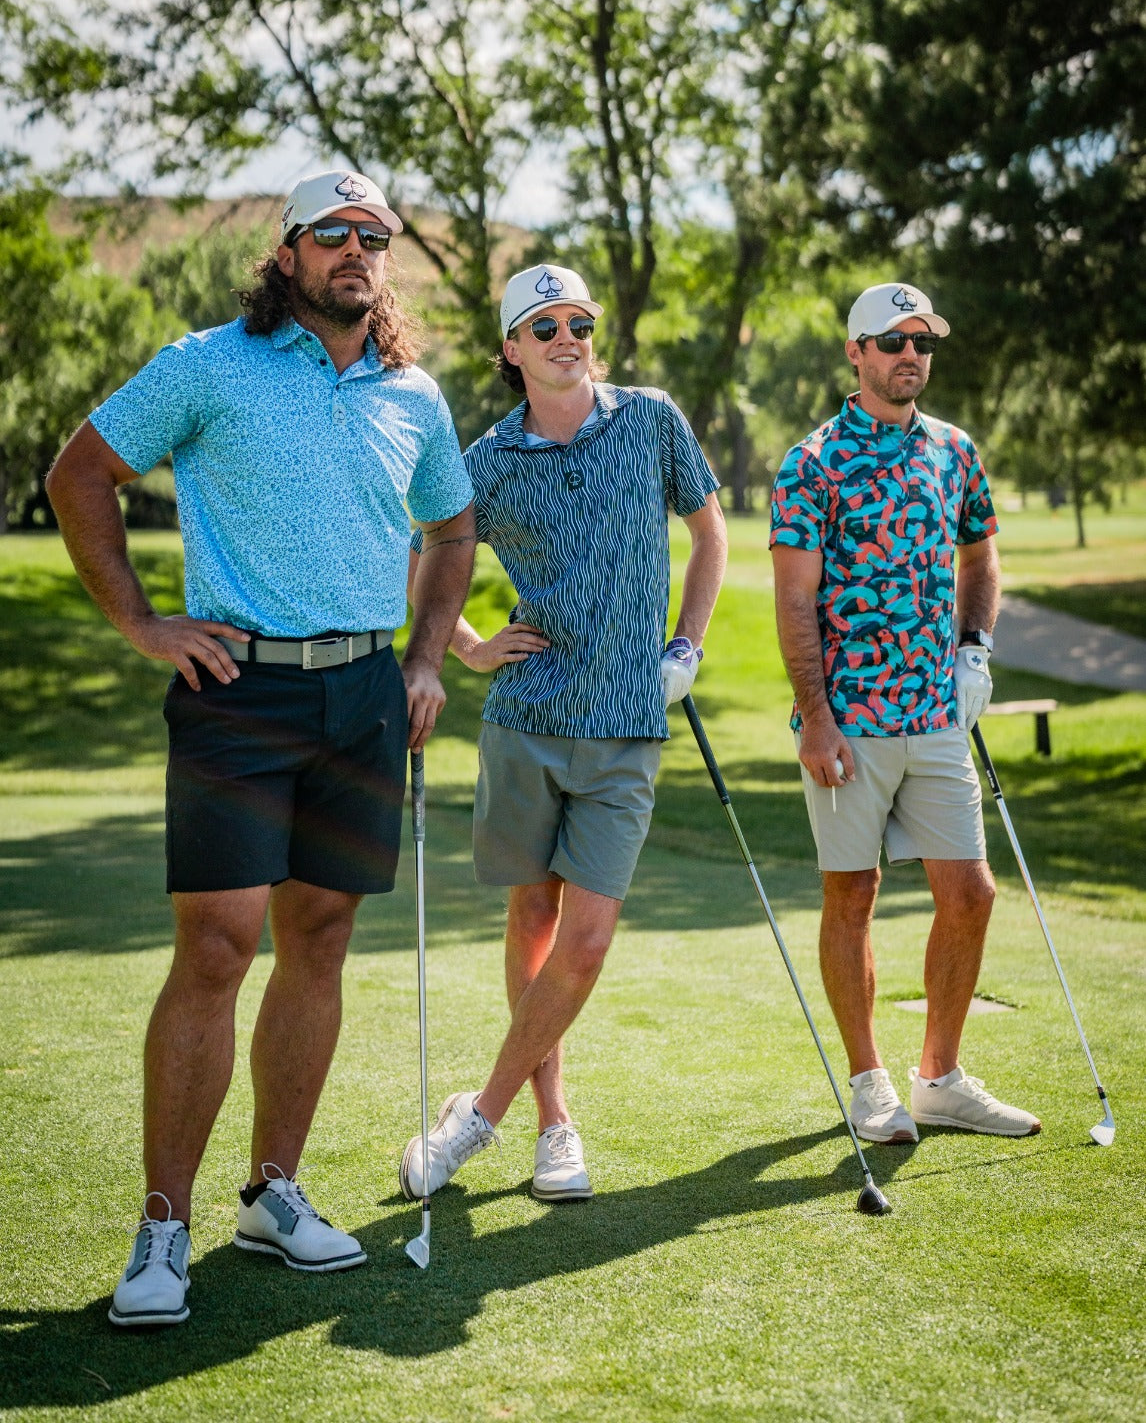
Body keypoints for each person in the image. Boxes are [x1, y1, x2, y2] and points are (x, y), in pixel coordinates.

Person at [45, 170, 476, 1327]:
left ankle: (271, 1190)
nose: (353, 250)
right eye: (329, 233)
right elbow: (79, 473)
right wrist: (142, 623)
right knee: (221, 945)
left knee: (320, 936)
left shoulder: (413, 396)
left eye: (372, 235)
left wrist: (429, 656)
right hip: (236, 694)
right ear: (286, 253)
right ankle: (163, 1224)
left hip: (364, 696)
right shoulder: (208, 363)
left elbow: (452, 526)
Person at [399, 263, 727, 1201]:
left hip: (628, 726)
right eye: (543, 326)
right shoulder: (488, 462)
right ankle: (554, 1125)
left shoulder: (653, 418)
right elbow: (417, 552)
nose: (566, 337)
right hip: (527, 723)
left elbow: (712, 536)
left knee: (584, 944)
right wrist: (463, 647)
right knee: (533, 921)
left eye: (577, 321)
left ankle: (478, 1115)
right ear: (511, 349)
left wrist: (687, 647)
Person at [769, 282, 1041, 1146]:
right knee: (853, 896)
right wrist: (814, 715)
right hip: (849, 724)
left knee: (971, 893)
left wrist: (975, 649)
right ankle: (868, 1082)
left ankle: (941, 1077)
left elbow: (980, 550)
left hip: (936, 718)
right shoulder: (812, 462)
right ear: (856, 354)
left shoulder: (954, 450)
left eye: (922, 342)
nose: (909, 356)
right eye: (892, 341)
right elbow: (795, 599)